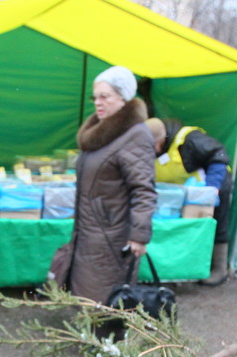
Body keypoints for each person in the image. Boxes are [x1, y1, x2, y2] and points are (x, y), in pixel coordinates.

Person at [49, 65, 157, 307]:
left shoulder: (135, 135)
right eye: (95, 97)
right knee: (87, 298)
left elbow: (144, 190)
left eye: (105, 97)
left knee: (106, 301)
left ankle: (108, 344)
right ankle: (94, 342)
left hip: (112, 239)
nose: (98, 103)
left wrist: (139, 236)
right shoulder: (101, 134)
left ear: (123, 97)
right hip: (88, 233)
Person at [145, 118, 233, 286]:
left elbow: (219, 155)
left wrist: (212, 189)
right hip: (184, 192)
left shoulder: (189, 139)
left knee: (213, 224)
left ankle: (219, 269)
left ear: (162, 139)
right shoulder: (154, 150)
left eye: (153, 145)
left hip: (213, 184)